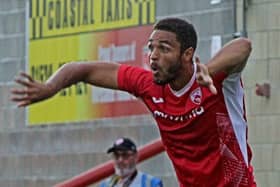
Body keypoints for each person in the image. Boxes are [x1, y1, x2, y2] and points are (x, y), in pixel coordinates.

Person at [11, 17, 256, 186]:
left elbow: (243, 45)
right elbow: (82, 69)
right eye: (151, 48)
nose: (153, 56)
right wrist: (49, 87)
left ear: (187, 55)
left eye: (164, 48)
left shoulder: (219, 80)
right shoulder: (148, 85)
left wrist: (208, 71)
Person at [99, 137, 163, 187]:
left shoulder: (151, 184)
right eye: (116, 155)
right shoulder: (105, 185)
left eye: (125, 155)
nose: (120, 160)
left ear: (136, 157)